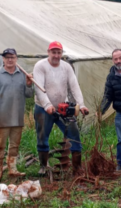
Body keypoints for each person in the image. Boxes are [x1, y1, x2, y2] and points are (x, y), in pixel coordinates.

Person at [33, 41, 89, 175]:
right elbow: (39, 88)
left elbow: (74, 86)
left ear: (61, 53)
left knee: (74, 135)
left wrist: (81, 105)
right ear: (48, 52)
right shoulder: (40, 66)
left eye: (59, 52)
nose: (56, 55)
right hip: (43, 108)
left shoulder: (66, 67)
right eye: (54, 52)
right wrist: (47, 105)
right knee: (42, 136)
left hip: (63, 107)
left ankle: (77, 167)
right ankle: (43, 165)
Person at [0, 48, 34, 182]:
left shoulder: (22, 75)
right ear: (3, 59)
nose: (10, 60)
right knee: (0, 145)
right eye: (7, 57)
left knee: (14, 145)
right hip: (2, 118)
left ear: (16, 58)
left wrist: (29, 84)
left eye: (12, 57)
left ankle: (12, 168)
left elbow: (29, 95)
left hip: (17, 117)